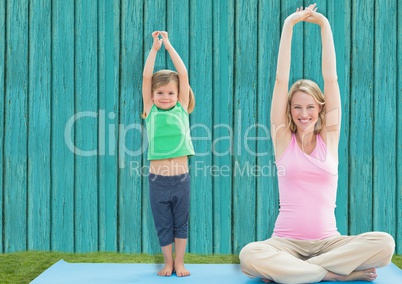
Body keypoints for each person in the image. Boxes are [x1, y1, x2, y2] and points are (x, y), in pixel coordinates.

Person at [239, 4, 395, 284]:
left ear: (321, 109)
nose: (303, 114)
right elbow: (279, 81)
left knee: (385, 244)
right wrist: (288, 26)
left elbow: (331, 79)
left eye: (310, 107)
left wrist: (324, 26)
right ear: (290, 111)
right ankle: (333, 275)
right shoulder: (283, 139)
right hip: (285, 243)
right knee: (250, 256)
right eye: (297, 107)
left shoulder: (330, 137)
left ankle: (295, 271)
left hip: (329, 244)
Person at [142, 31, 195, 277]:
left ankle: (180, 262)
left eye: (170, 93)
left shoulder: (182, 109)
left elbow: (182, 74)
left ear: (178, 95)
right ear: (152, 95)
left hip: (181, 178)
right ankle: (168, 263)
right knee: (163, 223)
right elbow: (146, 76)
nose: (166, 97)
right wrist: (154, 50)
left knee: (180, 223)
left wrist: (169, 46)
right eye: (160, 93)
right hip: (158, 181)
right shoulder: (150, 111)